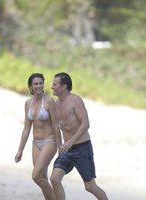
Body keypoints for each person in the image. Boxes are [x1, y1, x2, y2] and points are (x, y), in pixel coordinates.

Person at [50, 72, 108, 200]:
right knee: (54, 178)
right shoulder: (56, 103)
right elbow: (57, 127)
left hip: (82, 148)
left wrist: (70, 142)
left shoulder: (75, 100)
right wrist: (60, 147)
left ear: (64, 86)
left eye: (54, 84)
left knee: (90, 186)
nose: (51, 87)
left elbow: (85, 124)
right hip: (66, 149)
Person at [15, 73, 61, 200]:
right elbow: (26, 128)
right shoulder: (27, 103)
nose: (39, 86)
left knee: (36, 175)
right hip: (36, 143)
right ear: (31, 86)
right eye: (36, 84)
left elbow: (56, 125)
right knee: (42, 178)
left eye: (41, 83)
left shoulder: (49, 101)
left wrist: (59, 146)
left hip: (49, 141)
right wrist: (20, 150)